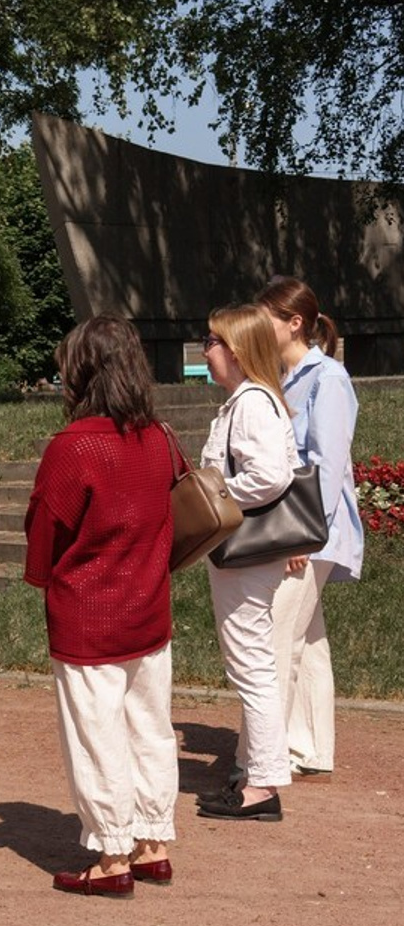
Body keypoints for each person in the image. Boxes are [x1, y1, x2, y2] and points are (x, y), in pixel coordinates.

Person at [23, 317, 180, 897]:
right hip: (149, 608)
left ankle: (112, 856)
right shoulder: (160, 436)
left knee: (98, 736)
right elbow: (177, 501)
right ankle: (152, 844)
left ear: (81, 372)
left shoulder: (73, 446)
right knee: (150, 729)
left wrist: (44, 577)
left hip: (88, 614)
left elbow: (45, 533)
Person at [196, 303, 301, 822]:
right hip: (245, 553)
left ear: (235, 349)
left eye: (212, 341)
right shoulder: (250, 400)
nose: (205, 350)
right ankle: (258, 775)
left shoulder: (253, 402)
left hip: (245, 552)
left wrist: (213, 498)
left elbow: (271, 476)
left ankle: (261, 785)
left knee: (252, 666)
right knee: (253, 664)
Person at [254, 276, 362, 779]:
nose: (257, 326)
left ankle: (268, 756)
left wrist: (302, 534)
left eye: (266, 317)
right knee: (308, 640)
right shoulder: (285, 378)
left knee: (276, 639)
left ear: (294, 323)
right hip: (304, 529)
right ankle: (311, 747)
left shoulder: (328, 379)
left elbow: (328, 462)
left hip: (310, 531)